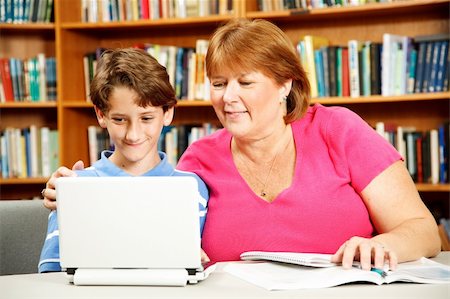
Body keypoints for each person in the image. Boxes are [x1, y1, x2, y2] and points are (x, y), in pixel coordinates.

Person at [42, 19, 440, 272]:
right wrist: (77, 191)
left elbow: (424, 232)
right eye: (218, 83)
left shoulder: (338, 129)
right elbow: (142, 221)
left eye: (244, 82)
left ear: (286, 84)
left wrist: (380, 245)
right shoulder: (198, 159)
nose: (227, 97)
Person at [38, 48, 209, 273]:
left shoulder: (193, 188)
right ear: (101, 115)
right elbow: (51, 273)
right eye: (119, 119)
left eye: (146, 118)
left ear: (167, 113)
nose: (133, 134)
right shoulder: (75, 186)